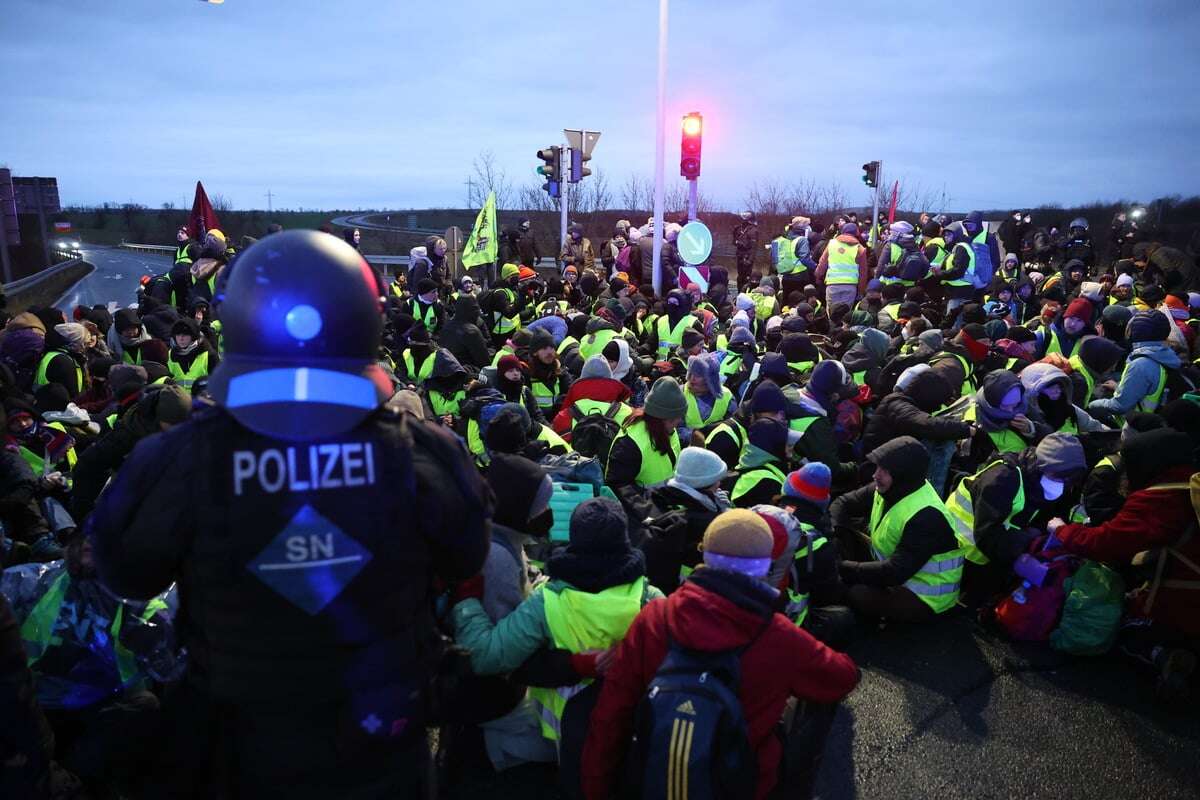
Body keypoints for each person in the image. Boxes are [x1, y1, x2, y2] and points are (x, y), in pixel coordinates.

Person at [87, 230, 491, 797]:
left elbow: (124, 569)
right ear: (365, 322)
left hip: (241, 752)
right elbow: (466, 552)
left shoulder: (178, 457)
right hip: (382, 750)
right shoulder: (422, 453)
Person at [581, 509, 860, 800]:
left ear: (705, 556)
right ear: (767, 567)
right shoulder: (779, 635)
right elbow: (843, 678)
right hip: (743, 784)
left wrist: (596, 787)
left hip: (656, 775)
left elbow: (611, 713)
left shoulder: (655, 617)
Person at [454, 497, 662, 742]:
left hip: (560, 732)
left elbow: (485, 657)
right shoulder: (650, 600)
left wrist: (466, 601)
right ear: (624, 539)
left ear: (575, 538)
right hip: (629, 729)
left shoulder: (546, 602)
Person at [1046, 428, 1199, 698]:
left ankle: (1163, 654)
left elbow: (1106, 543)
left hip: (1186, 598)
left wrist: (1062, 531)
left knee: (1123, 629)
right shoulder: (1191, 485)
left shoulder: (1161, 498)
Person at [833, 436, 966, 622]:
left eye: (885, 470)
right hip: (896, 572)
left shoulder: (927, 516)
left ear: (904, 475)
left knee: (854, 593)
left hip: (925, 597)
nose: (875, 475)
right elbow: (843, 503)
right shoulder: (892, 486)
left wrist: (841, 567)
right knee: (839, 538)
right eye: (878, 467)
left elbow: (894, 571)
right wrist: (833, 533)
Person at [944, 433, 1086, 599]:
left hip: (990, 552)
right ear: (1043, 465)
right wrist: (1031, 543)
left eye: (1069, 479)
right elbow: (987, 534)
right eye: (1060, 476)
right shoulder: (1002, 478)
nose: (1063, 482)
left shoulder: (1037, 481)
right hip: (960, 550)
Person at [606, 377, 685, 504]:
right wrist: (653, 507)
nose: (678, 422)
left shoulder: (668, 430)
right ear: (662, 418)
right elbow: (617, 488)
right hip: (643, 514)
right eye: (674, 419)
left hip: (664, 507)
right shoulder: (629, 444)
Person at [1088, 310, 1181, 418]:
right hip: (1156, 421)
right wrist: (1119, 388)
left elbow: (1118, 406)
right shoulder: (1167, 354)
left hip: (1136, 426)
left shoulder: (1139, 365)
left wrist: (1091, 405)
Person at [816, 223, 868, 311]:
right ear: (856, 233)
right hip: (850, 286)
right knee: (845, 315)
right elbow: (863, 273)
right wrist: (861, 291)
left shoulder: (831, 244)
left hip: (832, 285)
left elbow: (822, 263)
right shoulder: (860, 248)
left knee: (832, 313)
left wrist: (818, 275)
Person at [165, 317, 217, 390]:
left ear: (193, 336)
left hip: (201, 399)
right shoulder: (170, 354)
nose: (181, 338)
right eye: (178, 335)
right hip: (178, 400)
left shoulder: (209, 355)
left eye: (185, 335)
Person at [733, 211, 760, 289]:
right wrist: (737, 241)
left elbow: (754, 247)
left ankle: (746, 292)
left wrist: (750, 260)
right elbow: (734, 241)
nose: (742, 220)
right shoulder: (738, 228)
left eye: (743, 219)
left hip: (747, 257)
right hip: (739, 255)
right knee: (740, 277)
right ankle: (739, 293)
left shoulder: (753, 230)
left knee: (746, 277)